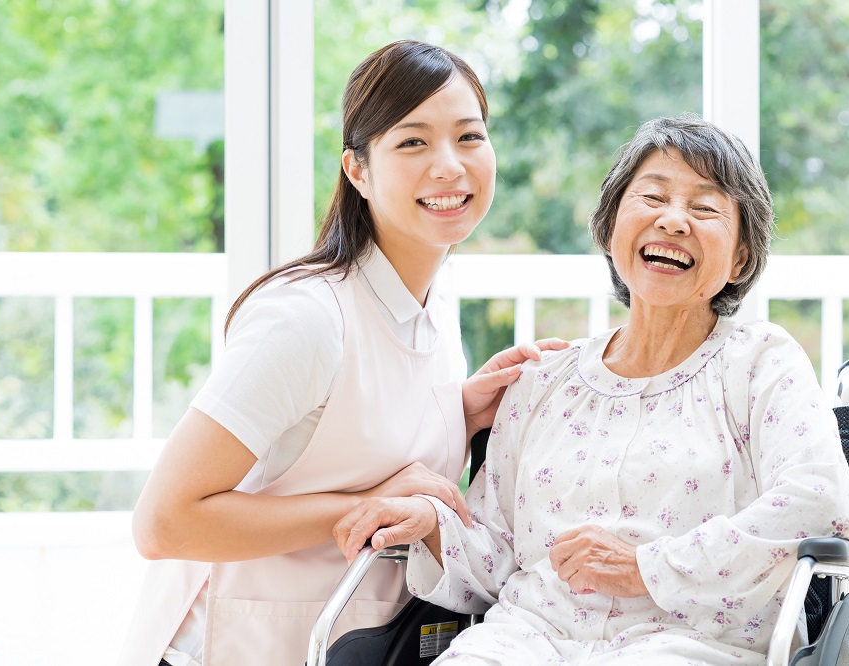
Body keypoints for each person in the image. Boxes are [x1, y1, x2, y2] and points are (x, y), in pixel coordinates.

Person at [334, 114, 849, 665]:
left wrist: (648, 568)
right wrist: (435, 528)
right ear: (610, 230)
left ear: (740, 259)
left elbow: (820, 502)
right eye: (652, 198)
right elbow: (496, 556)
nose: (673, 221)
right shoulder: (544, 381)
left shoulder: (759, 364)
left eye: (704, 209)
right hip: (525, 639)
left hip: (694, 644)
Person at [117, 40, 566, 666]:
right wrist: (365, 508)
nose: (450, 166)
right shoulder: (304, 320)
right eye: (413, 142)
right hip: (228, 648)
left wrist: (461, 410)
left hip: (340, 637)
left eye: (469, 137)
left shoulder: (433, 292)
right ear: (358, 170)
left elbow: (347, 437)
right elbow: (165, 523)